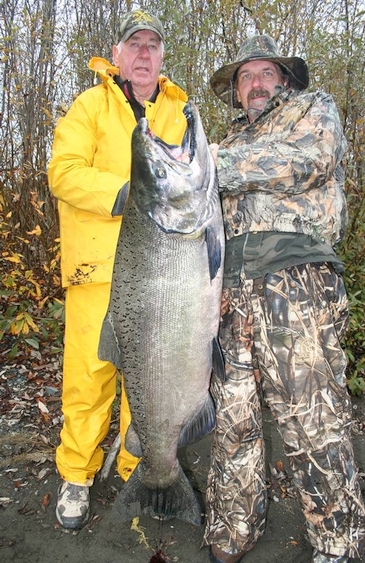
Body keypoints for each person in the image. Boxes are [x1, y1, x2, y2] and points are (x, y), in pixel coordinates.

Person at [203, 34, 365, 563]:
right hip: (228, 294)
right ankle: (232, 530)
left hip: (296, 282)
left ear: (286, 80)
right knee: (233, 421)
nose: (254, 84)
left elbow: (311, 160)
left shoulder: (312, 111)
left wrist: (210, 170)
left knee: (311, 418)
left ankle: (337, 544)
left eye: (265, 73)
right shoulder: (221, 141)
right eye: (245, 77)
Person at [48, 9, 189, 530]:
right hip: (98, 272)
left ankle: (139, 470)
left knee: (150, 381)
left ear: (162, 57)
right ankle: (78, 476)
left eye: (153, 45)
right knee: (89, 378)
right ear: (117, 57)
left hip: (161, 273)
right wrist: (120, 194)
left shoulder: (180, 111)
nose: (145, 55)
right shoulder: (89, 105)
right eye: (135, 46)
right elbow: (62, 171)